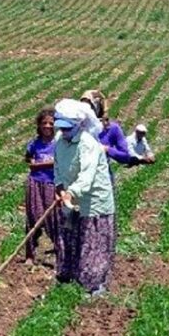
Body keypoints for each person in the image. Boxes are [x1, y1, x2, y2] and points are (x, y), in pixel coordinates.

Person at [53, 99, 115, 296]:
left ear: (78, 125)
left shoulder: (88, 144)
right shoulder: (60, 143)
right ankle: (68, 280)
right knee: (70, 241)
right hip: (71, 199)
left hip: (93, 202)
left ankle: (94, 287)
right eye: (61, 128)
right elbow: (57, 169)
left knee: (92, 244)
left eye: (67, 128)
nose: (63, 132)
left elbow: (86, 178)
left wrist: (70, 192)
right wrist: (61, 188)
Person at [24, 108, 61, 265]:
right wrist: (34, 164)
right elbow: (28, 159)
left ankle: (61, 253)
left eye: (50, 123)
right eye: (44, 123)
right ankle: (30, 254)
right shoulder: (34, 143)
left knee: (54, 219)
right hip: (35, 183)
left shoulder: (59, 144)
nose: (47, 126)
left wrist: (39, 164)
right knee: (33, 217)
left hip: (52, 184)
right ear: (39, 125)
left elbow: (58, 162)